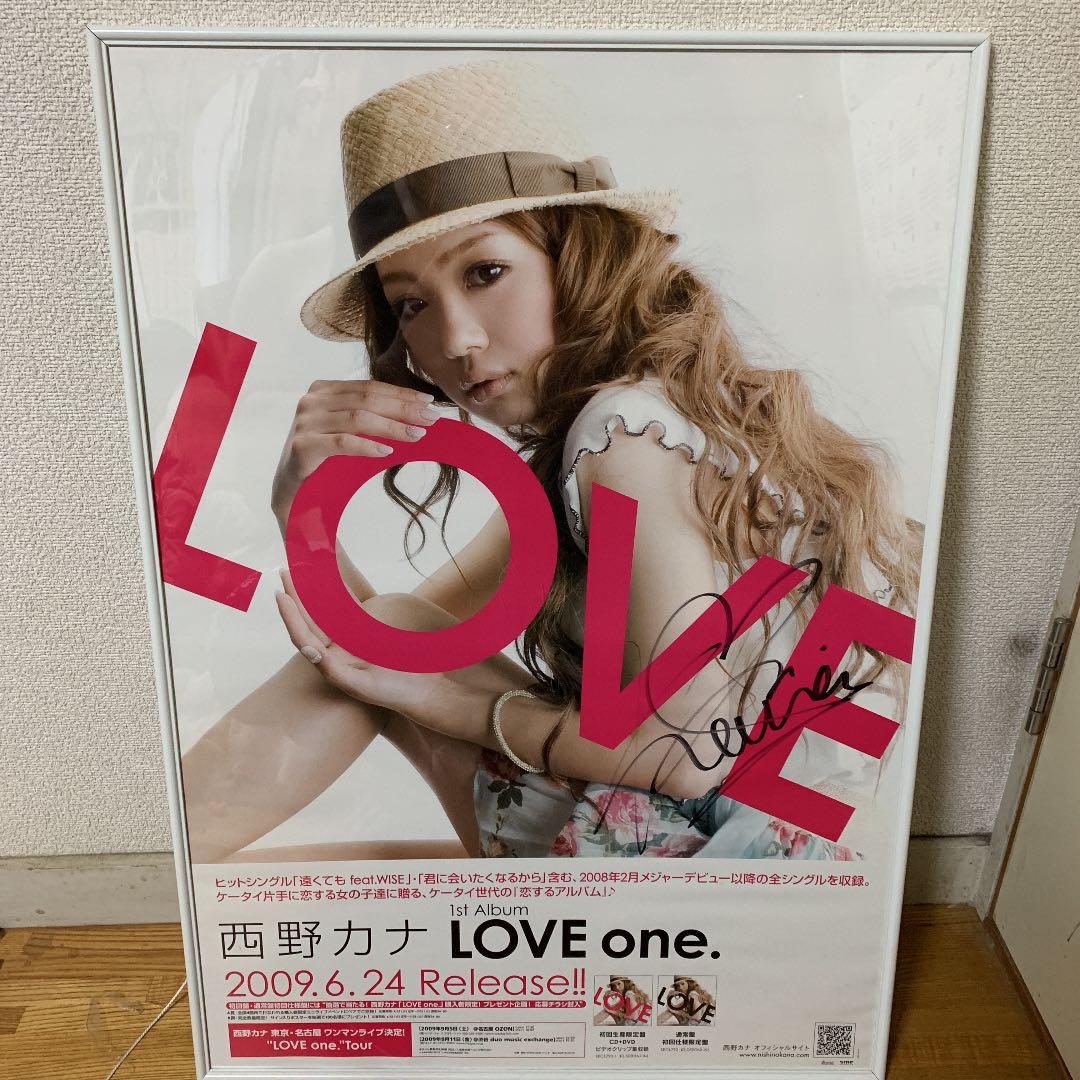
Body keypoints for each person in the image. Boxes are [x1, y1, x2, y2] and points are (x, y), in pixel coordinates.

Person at [181, 58, 921, 864]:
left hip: (720, 886)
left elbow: (681, 753)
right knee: (259, 879)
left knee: (232, 883)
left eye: (486, 272)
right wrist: (301, 512)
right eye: (411, 304)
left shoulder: (623, 438)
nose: (456, 340)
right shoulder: (662, 416)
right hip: (783, 870)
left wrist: (454, 705)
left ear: (578, 254)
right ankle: (162, 874)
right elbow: (372, 652)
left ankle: (154, 871)